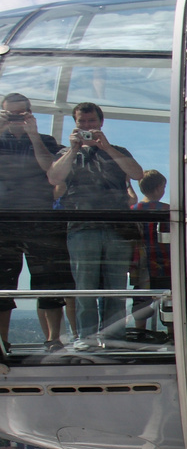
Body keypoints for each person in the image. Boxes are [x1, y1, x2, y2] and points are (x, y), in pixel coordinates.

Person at [47, 102, 143, 346]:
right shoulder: (67, 153)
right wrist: (72, 150)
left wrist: (107, 148)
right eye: (82, 122)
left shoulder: (117, 150)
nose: (87, 127)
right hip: (82, 227)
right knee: (85, 288)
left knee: (116, 289)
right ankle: (87, 339)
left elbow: (137, 173)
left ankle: (114, 338)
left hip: (117, 228)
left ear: (101, 123)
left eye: (91, 122)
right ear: (75, 124)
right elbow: (54, 178)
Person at [0, 93, 71, 353]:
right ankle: (2, 341)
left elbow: (52, 174)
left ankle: (54, 339)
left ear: (31, 113)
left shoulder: (45, 141)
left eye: (22, 114)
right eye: (11, 114)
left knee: (49, 279)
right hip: (4, 219)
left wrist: (33, 136)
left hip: (39, 219)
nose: (17, 119)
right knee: (2, 281)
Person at [132, 170, 171, 334]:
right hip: (165, 263)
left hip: (141, 265)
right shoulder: (168, 210)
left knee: (141, 301)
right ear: (158, 188)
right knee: (170, 301)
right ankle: (173, 335)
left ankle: (140, 333)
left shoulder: (133, 209)